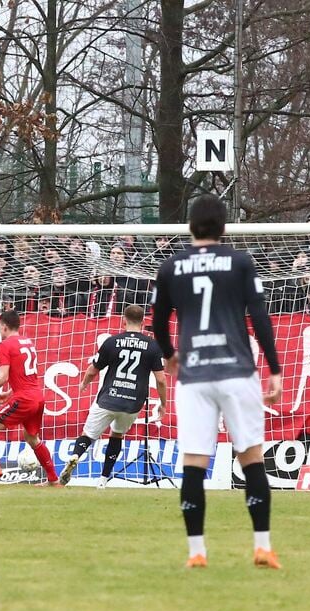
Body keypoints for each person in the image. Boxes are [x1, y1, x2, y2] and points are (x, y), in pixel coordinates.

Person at [152, 194, 283, 569]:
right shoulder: (240, 262)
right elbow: (259, 316)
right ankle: (262, 546)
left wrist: (169, 354)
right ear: (224, 228)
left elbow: (159, 322)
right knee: (251, 457)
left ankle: (196, 552)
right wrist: (274, 368)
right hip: (237, 371)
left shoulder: (171, 267)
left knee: (194, 461)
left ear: (190, 226)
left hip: (194, 375)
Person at [58, 304, 168, 488]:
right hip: (133, 403)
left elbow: (94, 369)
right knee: (116, 435)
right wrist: (163, 404)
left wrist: (84, 383)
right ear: (143, 322)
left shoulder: (112, 341)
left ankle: (76, 455)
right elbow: (161, 380)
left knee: (88, 435)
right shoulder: (152, 346)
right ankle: (103, 480)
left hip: (109, 398)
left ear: (123, 320)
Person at [0, 309, 60, 487]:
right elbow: (28, 376)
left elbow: (3, 376)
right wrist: (9, 392)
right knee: (32, 438)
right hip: (37, 397)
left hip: (24, 399)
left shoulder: (5, 345)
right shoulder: (28, 342)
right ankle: (53, 479)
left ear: (3, 327)